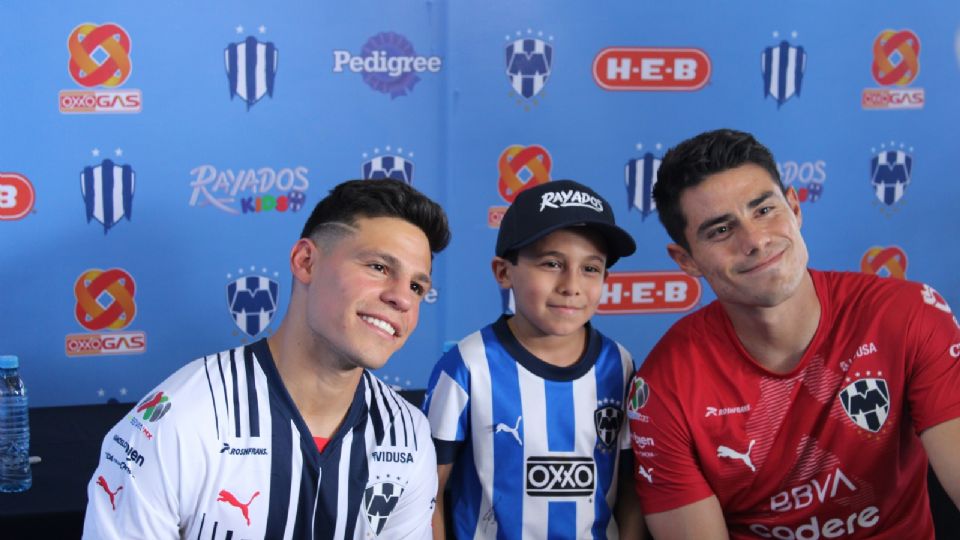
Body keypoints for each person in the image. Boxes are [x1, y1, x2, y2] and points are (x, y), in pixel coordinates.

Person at [628, 128, 960, 539]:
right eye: (720, 230)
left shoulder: (906, 314)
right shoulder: (665, 385)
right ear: (686, 260)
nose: (755, 241)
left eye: (764, 210)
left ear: (795, 208)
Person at [83, 179, 451, 539]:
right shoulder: (176, 420)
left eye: (417, 287)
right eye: (379, 268)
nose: (402, 298)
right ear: (305, 262)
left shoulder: (407, 434)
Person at [423, 179, 646, 539]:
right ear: (503, 271)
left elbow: (632, 488)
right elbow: (426, 495)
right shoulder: (468, 366)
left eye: (590, 268)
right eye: (552, 263)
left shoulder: (618, 365)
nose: (571, 285)